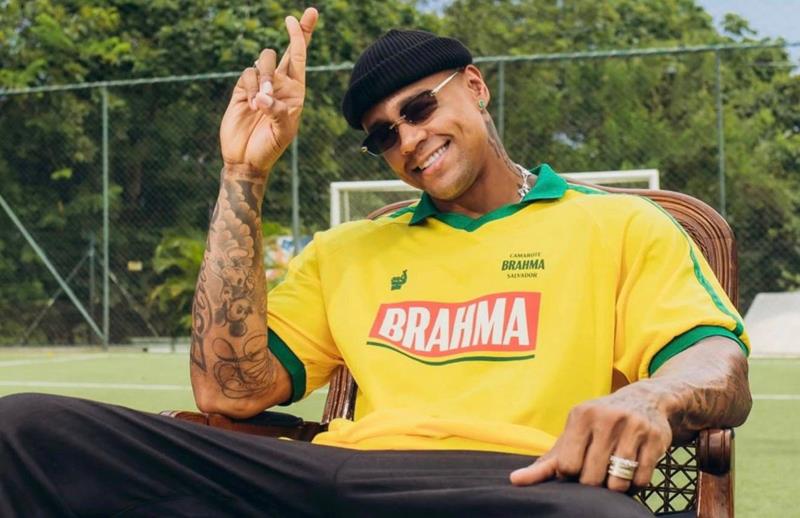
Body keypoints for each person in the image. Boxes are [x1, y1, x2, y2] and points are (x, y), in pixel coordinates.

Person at [0, 7, 751, 517]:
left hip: (513, 481)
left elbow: (718, 363)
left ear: (476, 87)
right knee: (27, 428)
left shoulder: (616, 224)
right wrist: (243, 173)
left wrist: (653, 397)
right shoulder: (346, 250)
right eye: (383, 135)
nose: (408, 139)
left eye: (419, 108)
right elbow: (227, 391)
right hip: (330, 474)